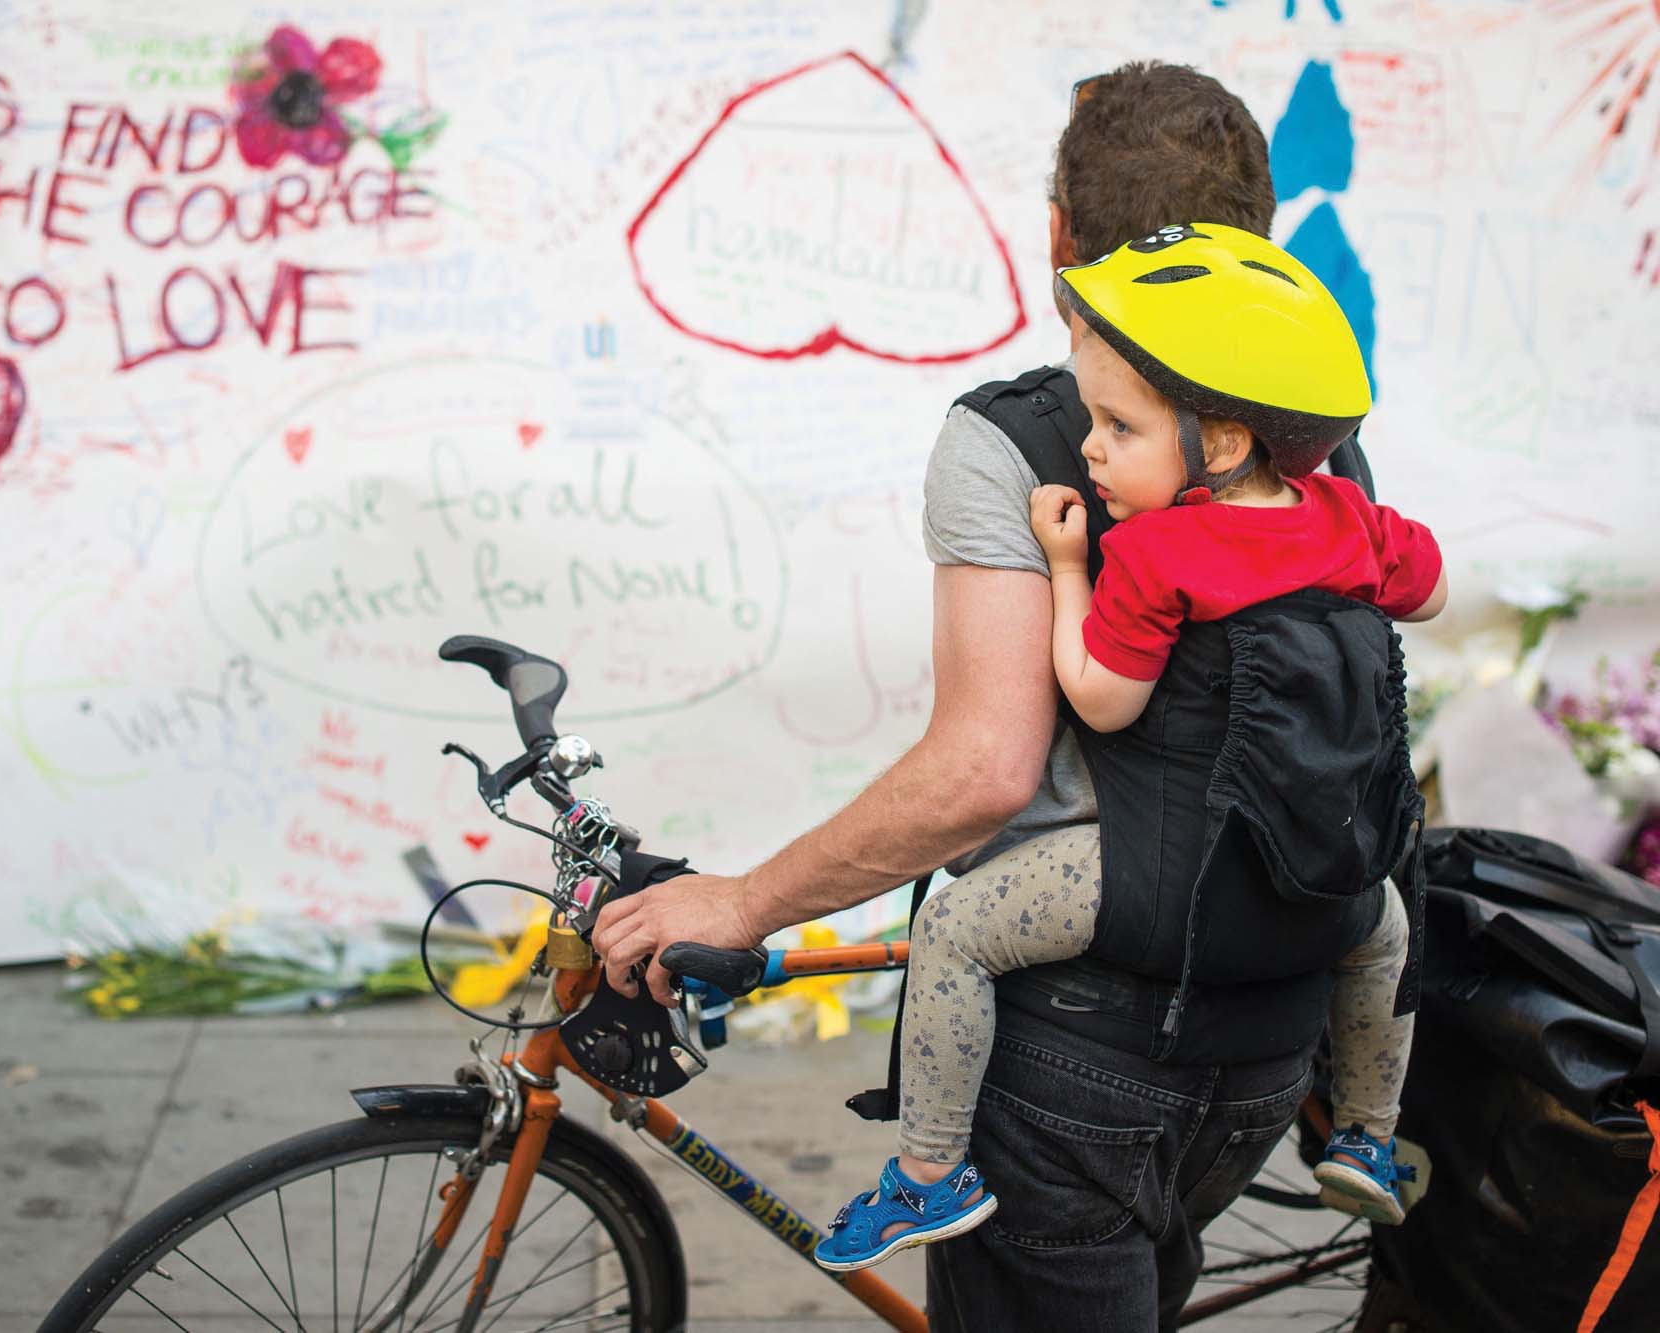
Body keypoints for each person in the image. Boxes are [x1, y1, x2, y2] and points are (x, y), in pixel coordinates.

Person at [594, 63, 1401, 1329]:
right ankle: (1371, 1135)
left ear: (1057, 237)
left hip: (1082, 1050)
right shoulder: (1309, 439)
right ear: (1261, 238)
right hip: (1269, 1034)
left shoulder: (1016, 439)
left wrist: (742, 902)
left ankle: (921, 1177)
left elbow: (983, 772)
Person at [809, 221, 1444, 1275]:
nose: (1092, 447)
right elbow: (1430, 592)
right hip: (1316, 871)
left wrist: (1068, 566)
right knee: (1385, 936)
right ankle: (1369, 1138)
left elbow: (1100, 701)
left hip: (1160, 878)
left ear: (1222, 444)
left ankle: (926, 1173)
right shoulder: (1348, 516)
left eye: (1117, 425)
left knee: (955, 930)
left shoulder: (1156, 550)